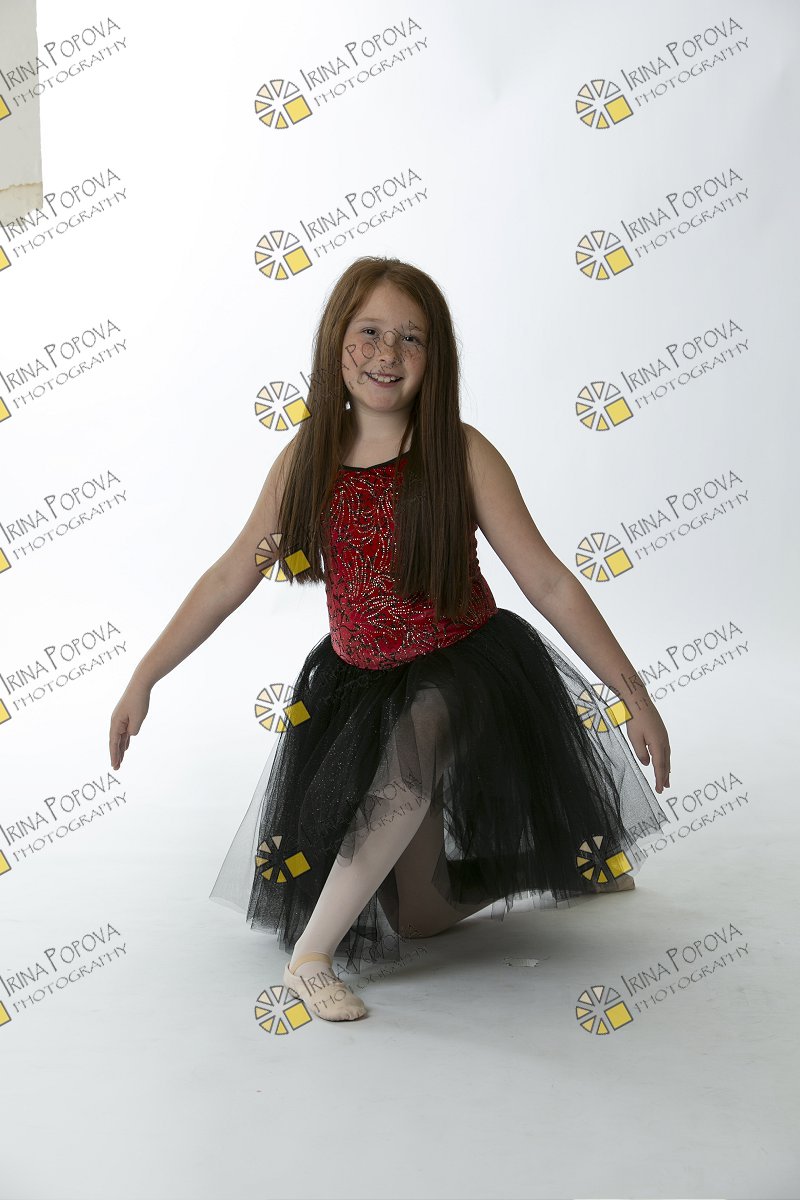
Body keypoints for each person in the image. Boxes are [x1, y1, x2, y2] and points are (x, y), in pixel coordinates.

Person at [109, 256, 671, 1024]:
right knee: (419, 917)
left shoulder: (461, 453)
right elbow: (230, 575)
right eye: (370, 332)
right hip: (361, 682)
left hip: (464, 666)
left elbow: (547, 581)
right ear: (336, 341)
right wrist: (145, 675)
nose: (387, 354)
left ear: (435, 357)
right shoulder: (306, 459)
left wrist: (633, 694)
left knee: (413, 752)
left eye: (411, 338)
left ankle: (310, 960)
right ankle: (556, 866)